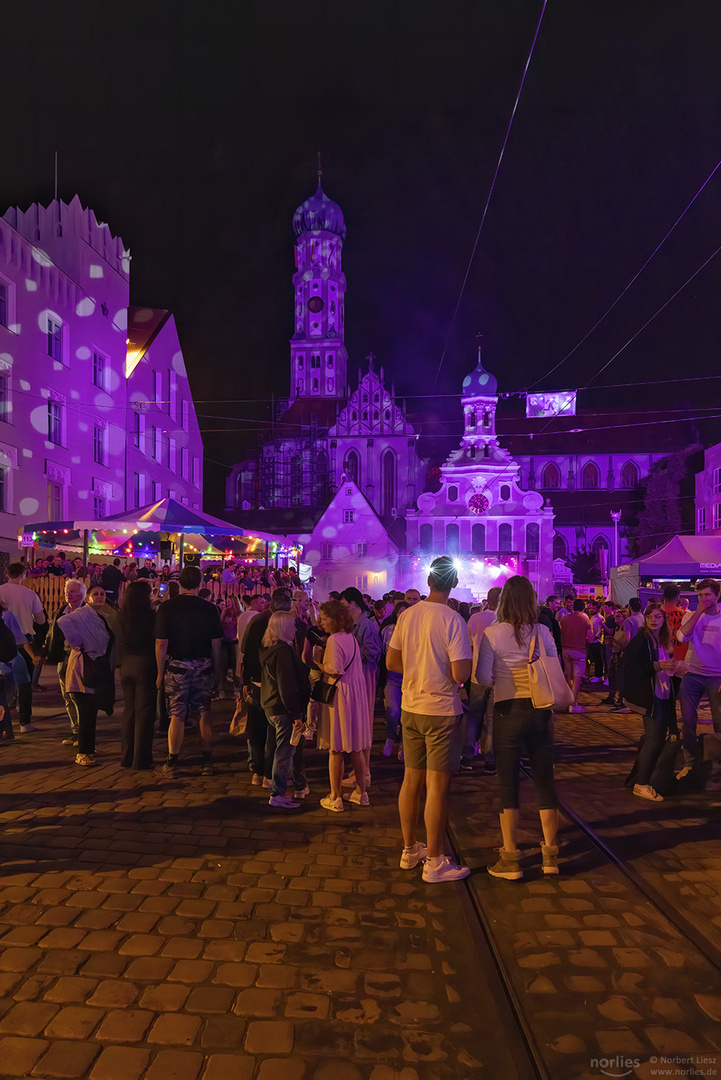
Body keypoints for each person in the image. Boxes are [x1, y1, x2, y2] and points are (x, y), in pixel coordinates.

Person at [387, 555, 472, 883]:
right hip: (440, 711)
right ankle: (435, 861)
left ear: (428, 581)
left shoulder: (407, 615)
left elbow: (392, 662)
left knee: (411, 781)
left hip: (411, 707)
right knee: (437, 787)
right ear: (452, 583)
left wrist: (419, 670)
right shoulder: (453, 620)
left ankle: (410, 850)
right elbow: (459, 673)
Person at [477, 575, 560, 879]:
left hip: (507, 710)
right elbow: (554, 669)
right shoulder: (544, 631)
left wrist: (503, 675)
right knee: (544, 782)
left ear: (504, 601)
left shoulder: (492, 634)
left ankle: (510, 858)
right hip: (540, 710)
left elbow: (483, 678)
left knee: (507, 785)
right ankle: (550, 855)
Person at [154, 565, 223, 779]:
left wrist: (159, 672)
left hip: (177, 666)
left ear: (180, 583)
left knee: (177, 713)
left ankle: (172, 761)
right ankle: (207, 760)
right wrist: (218, 670)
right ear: (200, 583)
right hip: (203, 666)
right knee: (204, 712)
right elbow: (216, 643)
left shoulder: (167, 608)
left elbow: (161, 643)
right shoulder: (210, 609)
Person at [314, 600, 370, 810]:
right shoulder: (351, 639)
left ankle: (335, 796)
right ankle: (361, 793)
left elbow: (334, 669)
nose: (322, 623)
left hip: (341, 696)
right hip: (355, 693)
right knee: (355, 745)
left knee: (336, 746)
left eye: (325, 619)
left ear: (336, 619)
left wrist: (317, 662)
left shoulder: (333, 641)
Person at [622, 603, 678, 802]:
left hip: (662, 694)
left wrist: (674, 669)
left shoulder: (660, 640)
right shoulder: (641, 640)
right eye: (650, 616)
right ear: (645, 619)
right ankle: (641, 784)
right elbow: (629, 669)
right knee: (654, 738)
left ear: (664, 620)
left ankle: (639, 778)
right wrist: (656, 666)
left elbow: (664, 667)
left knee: (655, 737)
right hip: (650, 697)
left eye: (658, 617)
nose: (654, 620)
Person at [260, 610, 311, 809]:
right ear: (283, 628)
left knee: (280, 749)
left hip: (271, 705)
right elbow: (286, 685)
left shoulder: (269, 648)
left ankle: (281, 787)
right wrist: (296, 714)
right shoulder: (282, 652)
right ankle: (278, 793)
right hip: (282, 708)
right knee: (284, 751)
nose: (295, 628)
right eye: (291, 625)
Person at [241, 589, 292, 786]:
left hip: (256, 681)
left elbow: (246, 652)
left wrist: (246, 680)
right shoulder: (281, 625)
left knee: (257, 728)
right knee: (271, 731)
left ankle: (258, 771)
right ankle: (268, 775)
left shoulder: (257, 622)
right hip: (271, 683)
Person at [57, 594, 113, 766]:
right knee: (86, 711)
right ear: (87, 597)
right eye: (95, 594)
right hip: (83, 670)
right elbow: (62, 621)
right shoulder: (82, 613)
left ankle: (89, 747)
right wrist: (76, 642)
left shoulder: (101, 616)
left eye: (102, 594)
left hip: (95, 669)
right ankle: (83, 752)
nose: (99, 597)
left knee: (91, 709)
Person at [676, 578, 721, 779]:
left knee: (719, 723)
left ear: (717, 595)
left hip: (717, 677)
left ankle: (717, 765)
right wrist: (698, 613)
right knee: (688, 721)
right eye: (700, 595)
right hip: (692, 674)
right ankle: (690, 763)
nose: (703, 599)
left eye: (707, 595)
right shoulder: (691, 616)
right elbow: (681, 637)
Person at [339, 587, 382, 787]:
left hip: (365, 677)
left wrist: (348, 649)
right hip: (360, 676)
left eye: (344, 605)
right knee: (359, 724)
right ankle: (360, 770)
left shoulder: (366, 624)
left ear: (353, 603)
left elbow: (372, 651)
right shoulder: (359, 623)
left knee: (363, 726)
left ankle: (363, 773)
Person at [0, 562, 46, 734]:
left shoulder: (0, 591)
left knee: (3, 683)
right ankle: (24, 722)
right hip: (24, 640)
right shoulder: (30, 594)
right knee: (25, 682)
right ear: (23, 575)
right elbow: (41, 620)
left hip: (2, 640)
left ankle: (4, 722)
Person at [462, 585, 502, 773]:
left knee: (474, 717)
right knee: (493, 720)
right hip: (498, 676)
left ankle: (467, 755)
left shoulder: (475, 618)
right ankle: (491, 759)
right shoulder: (505, 620)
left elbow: (469, 645)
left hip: (478, 674)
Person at [118, 580, 157, 771]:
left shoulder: (122, 615)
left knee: (129, 711)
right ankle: (141, 759)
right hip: (145, 663)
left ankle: (126, 756)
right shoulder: (150, 616)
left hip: (126, 663)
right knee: (145, 713)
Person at [44, 579, 87, 746]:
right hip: (63, 657)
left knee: (78, 695)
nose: (68, 593)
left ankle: (83, 730)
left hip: (79, 658)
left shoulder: (86, 612)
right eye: (67, 590)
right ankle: (75, 729)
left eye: (73, 591)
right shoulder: (60, 611)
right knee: (67, 695)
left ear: (82, 594)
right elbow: (51, 634)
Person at [381, 600, 408, 758]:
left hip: (409, 678)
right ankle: (390, 738)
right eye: (400, 612)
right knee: (392, 711)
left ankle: (403, 747)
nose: (402, 615)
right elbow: (381, 655)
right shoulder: (387, 631)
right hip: (392, 678)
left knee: (406, 714)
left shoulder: (415, 632)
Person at [559, 599, 593, 713]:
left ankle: (567, 700)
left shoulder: (564, 619)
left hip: (566, 649)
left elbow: (561, 633)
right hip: (579, 650)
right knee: (577, 678)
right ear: (583, 608)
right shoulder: (586, 621)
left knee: (567, 676)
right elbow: (591, 639)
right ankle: (573, 704)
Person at [586, 601, 605, 682]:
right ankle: (596, 675)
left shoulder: (600, 618)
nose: (592, 610)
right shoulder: (592, 617)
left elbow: (600, 631)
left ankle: (598, 675)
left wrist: (594, 638)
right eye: (591, 608)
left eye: (594, 608)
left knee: (598, 659)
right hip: (592, 640)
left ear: (598, 609)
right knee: (594, 658)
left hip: (596, 641)